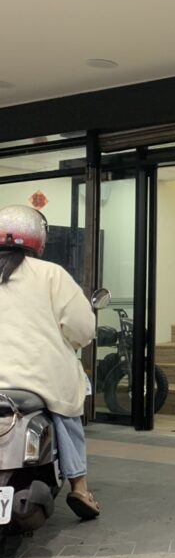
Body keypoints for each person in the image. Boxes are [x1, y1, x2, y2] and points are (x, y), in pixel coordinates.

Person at [0, 205, 101, 519]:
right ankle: (79, 487)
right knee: (66, 415)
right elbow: (82, 328)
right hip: (38, 378)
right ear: (38, 240)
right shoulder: (51, 274)